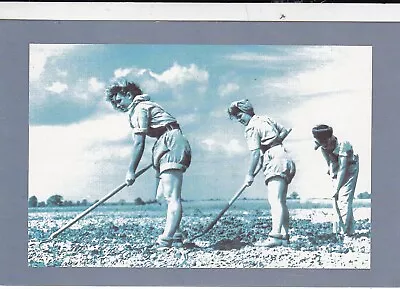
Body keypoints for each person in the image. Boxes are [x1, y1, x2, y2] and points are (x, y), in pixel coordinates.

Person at [105, 80, 192, 249]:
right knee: (161, 197)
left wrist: (131, 171)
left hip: (171, 142)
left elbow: (139, 143)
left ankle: (166, 239)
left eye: (119, 100)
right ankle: (177, 234)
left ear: (129, 95)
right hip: (164, 142)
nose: (118, 105)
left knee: (172, 196)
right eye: (115, 103)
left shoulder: (140, 109)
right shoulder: (140, 108)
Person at [227, 99, 296, 247]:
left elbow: (255, 154)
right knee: (281, 201)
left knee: (275, 200)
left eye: (240, 116)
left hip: (274, 159)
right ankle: (284, 236)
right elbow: (283, 131)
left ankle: (275, 236)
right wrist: (273, 144)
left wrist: (249, 175)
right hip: (285, 156)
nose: (240, 120)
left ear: (246, 112)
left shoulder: (251, 128)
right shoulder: (265, 118)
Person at [312, 124, 359, 237]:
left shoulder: (343, 144)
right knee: (336, 200)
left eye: (324, 142)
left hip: (350, 167)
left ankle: (343, 233)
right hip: (337, 165)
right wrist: (332, 173)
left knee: (344, 198)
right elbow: (330, 162)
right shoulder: (321, 144)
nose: (323, 145)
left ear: (329, 138)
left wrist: (337, 189)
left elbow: (343, 168)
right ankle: (347, 231)